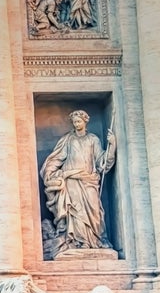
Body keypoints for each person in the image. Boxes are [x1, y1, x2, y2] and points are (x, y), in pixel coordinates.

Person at [41, 108, 116, 254]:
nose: (76, 124)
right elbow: (57, 158)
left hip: (89, 180)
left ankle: (95, 239)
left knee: (94, 211)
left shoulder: (93, 139)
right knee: (75, 211)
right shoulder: (68, 139)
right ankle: (79, 242)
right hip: (72, 180)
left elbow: (101, 161)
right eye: (74, 122)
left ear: (85, 121)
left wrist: (112, 145)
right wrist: (50, 171)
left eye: (79, 121)